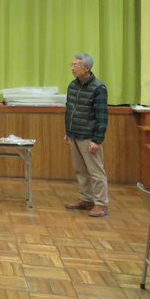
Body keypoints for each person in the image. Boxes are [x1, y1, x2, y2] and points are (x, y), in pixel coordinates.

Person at [64, 53, 109, 217]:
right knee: (80, 170)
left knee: (96, 171)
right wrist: (67, 132)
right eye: (72, 64)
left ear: (87, 68)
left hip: (89, 136)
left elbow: (102, 116)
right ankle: (86, 199)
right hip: (74, 134)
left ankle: (101, 204)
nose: (72, 68)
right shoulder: (72, 85)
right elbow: (69, 110)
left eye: (76, 65)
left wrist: (97, 140)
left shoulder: (99, 87)